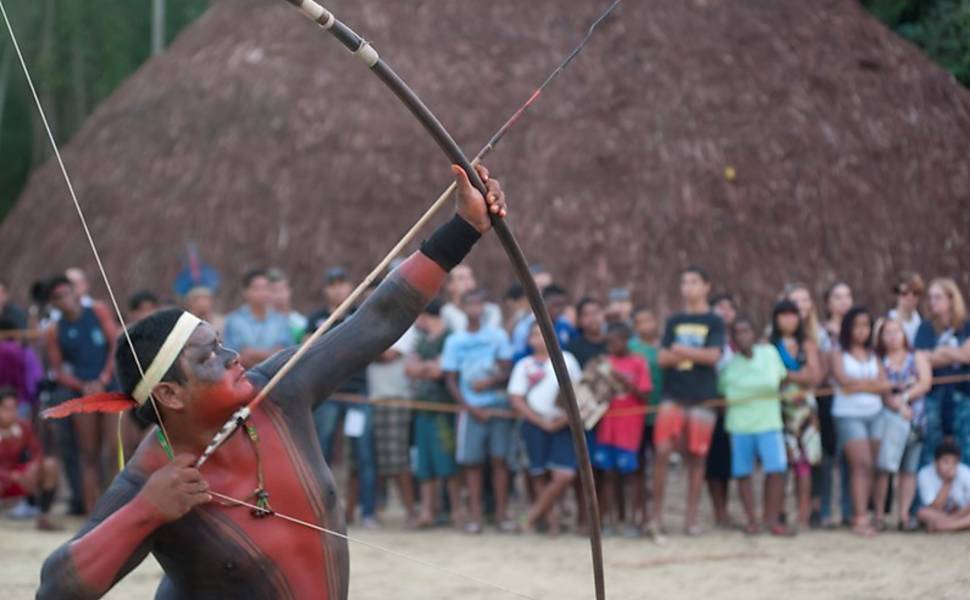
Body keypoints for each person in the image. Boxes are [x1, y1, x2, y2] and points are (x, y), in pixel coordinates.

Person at [35, 162, 508, 600]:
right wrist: (145, 513)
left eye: (221, 344)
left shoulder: (279, 390)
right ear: (169, 394)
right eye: (210, 357)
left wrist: (465, 227)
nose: (233, 356)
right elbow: (54, 591)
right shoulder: (150, 480)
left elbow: (379, 317)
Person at [650, 267, 724, 536]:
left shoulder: (714, 321)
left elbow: (713, 357)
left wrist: (681, 351)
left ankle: (690, 519)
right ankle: (656, 517)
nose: (688, 287)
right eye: (684, 282)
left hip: (703, 397)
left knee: (697, 457)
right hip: (673, 395)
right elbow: (662, 359)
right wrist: (695, 354)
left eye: (694, 281)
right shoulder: (674, 321)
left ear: (706, 286)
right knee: (662, 451)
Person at [305, 266, 376, 527]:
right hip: (328, 393)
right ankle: (320, 512)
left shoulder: (362, 315)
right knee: (320, 452)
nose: (338, 289)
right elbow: (308, 348)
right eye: (332, 284)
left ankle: (367, 513)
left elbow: (367, 346)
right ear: (326, 289)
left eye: (342, 284)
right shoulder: (316, 319)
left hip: (357, 395)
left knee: (363, 454)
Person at [442, 288, 515, 534]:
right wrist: (469, 407)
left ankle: (502, 515)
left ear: (485, 308)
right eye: (470, 305)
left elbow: (507, 369)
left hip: (497, 406)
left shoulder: (498, 336)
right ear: (463, 308)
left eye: (479, 304)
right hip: (470, 409)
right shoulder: (454, 341)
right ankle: (475, 517)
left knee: (499, 460)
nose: (475, 309)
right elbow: (450, 378)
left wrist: (491, 382)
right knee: (472, 464)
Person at [45, 275, 119, 514]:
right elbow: (57, 370)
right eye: (58, 297)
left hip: (109, 386)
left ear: (75, 292)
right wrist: (82, 385)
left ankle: (117, 509)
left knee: (113, 449)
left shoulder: (98, 311)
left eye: (67, 292)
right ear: (53, 303)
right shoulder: (54, 330)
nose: (65, 299)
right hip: (83, 391)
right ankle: (91, 513)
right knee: (89, 454)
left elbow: (116, 346)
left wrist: (103, 379)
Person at [508, 322, 582, 535]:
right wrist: (540, 421)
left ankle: (531, 515)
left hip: (562, 424)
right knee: (539, 473)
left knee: (564, 474)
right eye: (534, 335)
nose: (539, 338)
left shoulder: (567, 360)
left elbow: (579, 391)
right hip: (534, 425)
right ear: (528, 340)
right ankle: (552, 523)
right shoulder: (524, 365)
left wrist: (564, 420)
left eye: (543, 334)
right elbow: (517, 398)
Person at [719, 317, 792, 536]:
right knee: (743, 473)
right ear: (732, 339)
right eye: (737, 333)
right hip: (740, 426)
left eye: (746, 331)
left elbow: (783, 380)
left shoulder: (769, 354)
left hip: (769, 423)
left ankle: (772, 520)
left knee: (777, 470)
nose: (743, 336)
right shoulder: (729, 367)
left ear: (754, 333)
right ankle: (752, 520)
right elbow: (722, 397)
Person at [831, 306, 889, 537]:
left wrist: (861, 385)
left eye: (866, 325)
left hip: (875, 413)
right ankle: (859, 517)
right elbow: (844, 383)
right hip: (848, 415)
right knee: (861, 463)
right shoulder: (838, 354)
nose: (861, 331)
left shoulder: (874, 355)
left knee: (872, 465)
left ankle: (871, 513)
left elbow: (885, 385)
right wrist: (871, 384)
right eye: (857, 325)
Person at [591, 322, 651, 536]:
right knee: (607, 474)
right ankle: (609, 520)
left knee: (631, 475)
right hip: (607, 426)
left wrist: (621, 380)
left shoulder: (638, 363)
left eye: (614, 341)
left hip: (629, 428)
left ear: (626, 341)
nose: (610, 345)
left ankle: (634, 520)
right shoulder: (604, 363)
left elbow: (645, 395)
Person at [872, 318, 932, 531]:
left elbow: (925, 382)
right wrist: (897, 406)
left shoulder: (916, 356)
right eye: (887, 332)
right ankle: (879, 515)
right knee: (884, 467)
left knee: (909, 469)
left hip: (916, 421)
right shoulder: (878, 359)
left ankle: (904, 515)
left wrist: (905, 398)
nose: (893, 336)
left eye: (897, 331)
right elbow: (880, 389)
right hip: (889, 420)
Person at [407, 300, 462, 529]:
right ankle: (427, 512)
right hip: (422, 408)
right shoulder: (421, 340)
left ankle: (457, 511)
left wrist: (424, 368)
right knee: (425, 464)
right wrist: (426, 368)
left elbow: (442, 371)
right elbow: (409, 368)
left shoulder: (449, 338)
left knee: (447, 462)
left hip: (442, 409)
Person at [769, 300, 821, 529]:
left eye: (793, 315)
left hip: (805, 411)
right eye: (784, 315)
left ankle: (802, 514)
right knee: (782, 462)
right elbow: (771, 376)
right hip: (778, 409)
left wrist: (787, 375)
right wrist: (798, 375)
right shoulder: (770, 345)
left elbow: (814, 376)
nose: (789, 320)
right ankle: (779, 512)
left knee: (804, 463)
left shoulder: (807, 344)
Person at [914, 278, 970, 469]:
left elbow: (967, 355)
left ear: (951, 299)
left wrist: (941, 353)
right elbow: (920, 357)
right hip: (934, 396)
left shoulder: (966, 325)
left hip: (963, 395)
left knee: (965, 447)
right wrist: (956, 354)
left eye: (938, 297)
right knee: (932, 448)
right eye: (930, 298)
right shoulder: (925, 327)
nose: (932, 302)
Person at [367, 326, 418, 528]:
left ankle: (410, 511)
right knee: (377, 459)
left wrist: (364, 348)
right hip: (375, 399)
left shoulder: (406, 327)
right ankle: (376, 509)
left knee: (397, 459)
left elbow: (387, 355)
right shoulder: (372, 322)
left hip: (395, 400)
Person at [0, 388, 60, 530]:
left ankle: (43, 517)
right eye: (6, 408)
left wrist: (33, 467)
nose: (11, 412)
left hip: (20, 478)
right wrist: (11, 476)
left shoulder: (24, 426)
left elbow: (37, 451)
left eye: (14, 408)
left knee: (50, 465)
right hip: (5, 478)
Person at [708, 291, 738, 527]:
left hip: (736, 407)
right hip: (710, 403)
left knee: (728, 462)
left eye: (729, 307)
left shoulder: (739, 340)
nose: (724, 311)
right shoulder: (707, 338)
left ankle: (726, 510)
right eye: (719, 306)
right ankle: (717, 510)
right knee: (713, 462)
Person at [223, 270, 293, 369]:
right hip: (244, 377)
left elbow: (284, 354)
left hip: (275, 377)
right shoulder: (234, 321)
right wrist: (271, 354)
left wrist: (253, 353)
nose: (263, 293)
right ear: (245, 292)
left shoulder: (280, 320)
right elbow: (235, 357)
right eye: (257, 288)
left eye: (266, 288)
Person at [916, 440, 970, 532]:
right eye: (946, 461)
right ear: (935, 462)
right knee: (922, 513)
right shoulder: (925, 474)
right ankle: (959, 525)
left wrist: (954, 518)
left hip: (962, 513)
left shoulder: (964, 472)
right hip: (941, 514)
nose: (950, 466)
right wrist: (947, 482)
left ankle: (947, 526)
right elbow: (934, 507)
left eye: (954, 462)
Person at [510, 284, 575, 358]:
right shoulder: (526, 326)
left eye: (562, 305)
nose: (559, 309)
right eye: (556, 305)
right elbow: (518, 351)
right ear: (543, 303)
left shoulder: (565, 325)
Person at [440, 265, 502, 332]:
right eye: (461, 278)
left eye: (470, 277)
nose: (467, 282)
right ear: (449, 286)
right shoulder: (446, 313)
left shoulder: (491, 311)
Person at [267, 268, 307, 344]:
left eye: (282, 289)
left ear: (289, 291)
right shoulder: (260, 323)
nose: (279, 295)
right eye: (273, 290)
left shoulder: (300, 322)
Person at [567, 297, 607, 368]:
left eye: (596, 312)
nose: (592, 318)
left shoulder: (614, 343)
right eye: (586, 314)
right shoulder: (572, 348)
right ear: (579, 320)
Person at [888, 272, 924, 346]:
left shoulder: (924, 324)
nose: (910, 297)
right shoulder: (885, 321)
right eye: (905, 293)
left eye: (915, 293)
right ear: (897, 294)